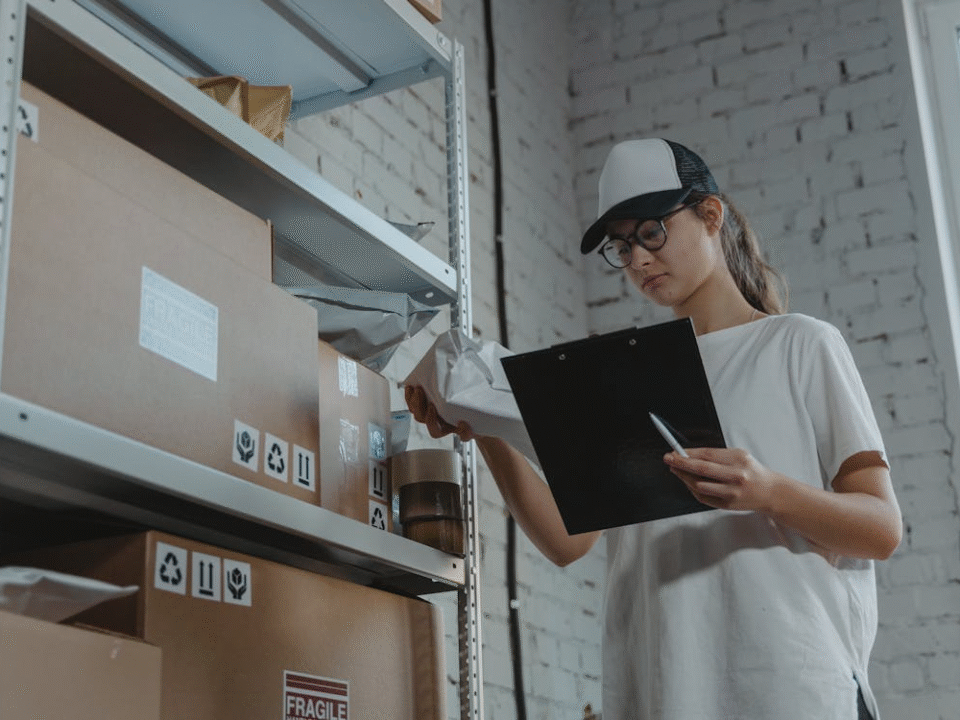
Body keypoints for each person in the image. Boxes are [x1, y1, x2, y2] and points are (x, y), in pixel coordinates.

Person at [405, 138, 902, 720]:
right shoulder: (620, 375)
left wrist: (768, 492)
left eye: (651, 233)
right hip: (664, 692)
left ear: (710, 215)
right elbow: (568, 543)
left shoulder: (799, 344)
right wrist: (482, 422)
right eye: (622, 246)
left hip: (792, 690)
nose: (638, 260)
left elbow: (881, 528)